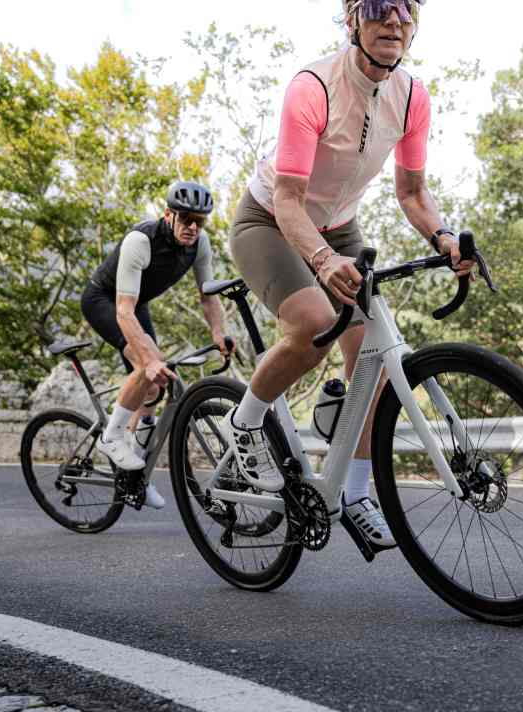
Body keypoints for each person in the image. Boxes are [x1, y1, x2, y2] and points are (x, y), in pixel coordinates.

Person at [226, 0, 474, 546]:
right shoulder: (313, 87)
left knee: (374, 354)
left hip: (340, 226)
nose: (395, 21)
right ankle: (244, 423)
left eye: (407, 10)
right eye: (381, 8)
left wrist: (444, 238)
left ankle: (355, 492)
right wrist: (320, 261)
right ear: (352, 21)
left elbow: (411, 193)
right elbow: (289, 200)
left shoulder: (412, 96)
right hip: (269, 219)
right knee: (315, 327)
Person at [81, 180, 228, 509]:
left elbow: (208, 298)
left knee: (153, 390)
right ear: (168, 215)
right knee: (145, 364)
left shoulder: (199, 245)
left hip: (136, 304)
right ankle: (112, 437)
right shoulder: (140, 240)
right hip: (105, 301)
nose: (192, 226)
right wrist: (147, 359)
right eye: (186, 218)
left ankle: (136, 474)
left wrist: (218, 333)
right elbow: (122, 310)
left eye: (199, 221)